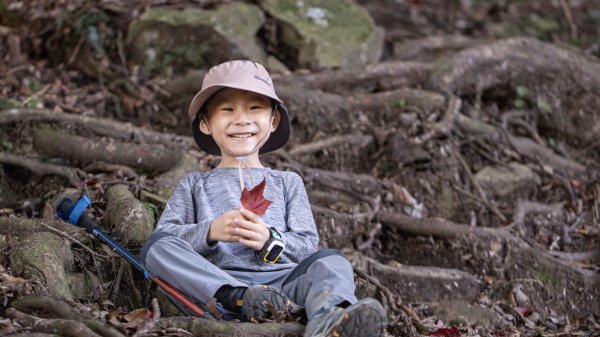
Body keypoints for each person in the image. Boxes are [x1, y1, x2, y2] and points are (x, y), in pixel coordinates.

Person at [140, 60, 387, 336]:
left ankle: (330, 319)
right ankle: (237, 298)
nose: (241, 119)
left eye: (254, 108)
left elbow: (308, 246)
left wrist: (270, 241)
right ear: (206, 123)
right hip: (214, 285)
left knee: (333, 261)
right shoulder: (194, 184)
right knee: (156, 248)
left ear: (273, 120)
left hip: (283, 286)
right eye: (227, 109)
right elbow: (166, 237)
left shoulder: (287, 182)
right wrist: (210, 231)